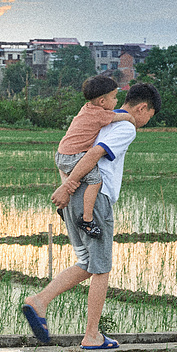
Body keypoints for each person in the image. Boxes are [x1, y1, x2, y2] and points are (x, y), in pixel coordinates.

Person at [21, 82, 162, 350]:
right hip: (94, 198)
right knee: (101, 268)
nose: (145, 122)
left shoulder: (101, 118)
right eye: (149, 116)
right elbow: (96, 154)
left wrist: (67, 189)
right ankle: (92, 335)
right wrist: (68, 186)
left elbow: (70, 152)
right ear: (143, 107)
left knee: (86, 262)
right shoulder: (125, 126)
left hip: (76, 199)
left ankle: (40, 301)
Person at [55, 75, 134, 236]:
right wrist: (130, 117)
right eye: (114, 97)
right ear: (102, 102)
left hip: (61, 154)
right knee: (96, 181)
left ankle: (64, 207)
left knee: (70, 183)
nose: (116, 102)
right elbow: (120, 116)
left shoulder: (86, 108)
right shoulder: (101, 114)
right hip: (73, 156)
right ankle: (87, 219)